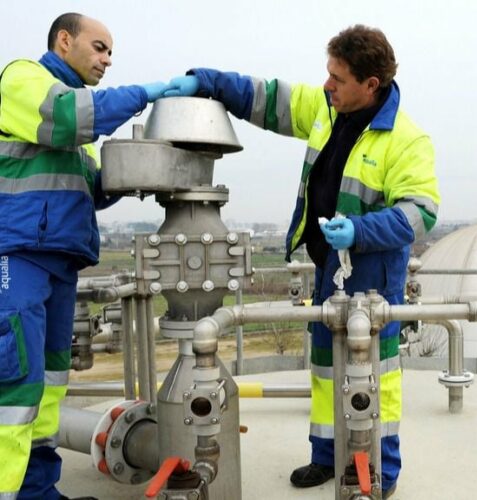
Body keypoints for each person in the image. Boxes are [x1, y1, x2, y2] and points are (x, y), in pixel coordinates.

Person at [167, 24, 440, 497]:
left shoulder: (406, 140)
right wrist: (204, 80)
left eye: (337, 77)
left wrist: (360, 230)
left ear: (370, 85)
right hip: (330, 271)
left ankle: (380, 469)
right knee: (324, 370)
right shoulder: (325, 109)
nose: (327, 85)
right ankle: (328, 457)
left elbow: (421, 213)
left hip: (375, 278)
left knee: (380, 379)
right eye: (327, 74)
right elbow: (264, 98)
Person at [0, 12, 170, 499]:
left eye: (111, 52)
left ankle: (36, 490)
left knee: (49, 389)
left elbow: (87, 189)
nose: (107, 60)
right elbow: (67, 118)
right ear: (64, 39)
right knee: (13, 388)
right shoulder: (24, 81)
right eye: (99, 48)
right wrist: (148, 94)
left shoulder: (78, 140)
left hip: (58, 262)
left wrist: (136, 172)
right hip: (17, 256)